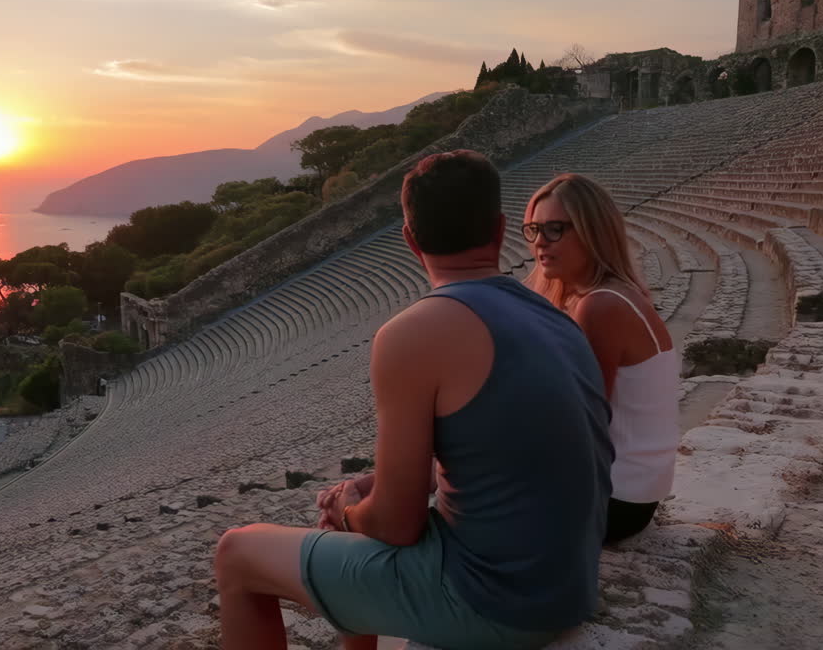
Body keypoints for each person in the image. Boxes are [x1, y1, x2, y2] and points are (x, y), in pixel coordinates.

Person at [213, 151, 613, 650]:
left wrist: (348, 510)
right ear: (501, 229)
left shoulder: (415, 332)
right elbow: (500, 456)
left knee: (236, 552)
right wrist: (366, 490)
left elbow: (398, 526)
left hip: (498, 605)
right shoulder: (555, 317)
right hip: (566, 589)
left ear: (409, 239)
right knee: (353, 534)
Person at [522, 173, 679, 544]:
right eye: (534, 230)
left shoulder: (601, 306)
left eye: (556, 229)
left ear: (593, 232)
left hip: (614, 501)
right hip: (632, 493)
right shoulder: (611, 295)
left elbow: (580, 423)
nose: (541, 242)